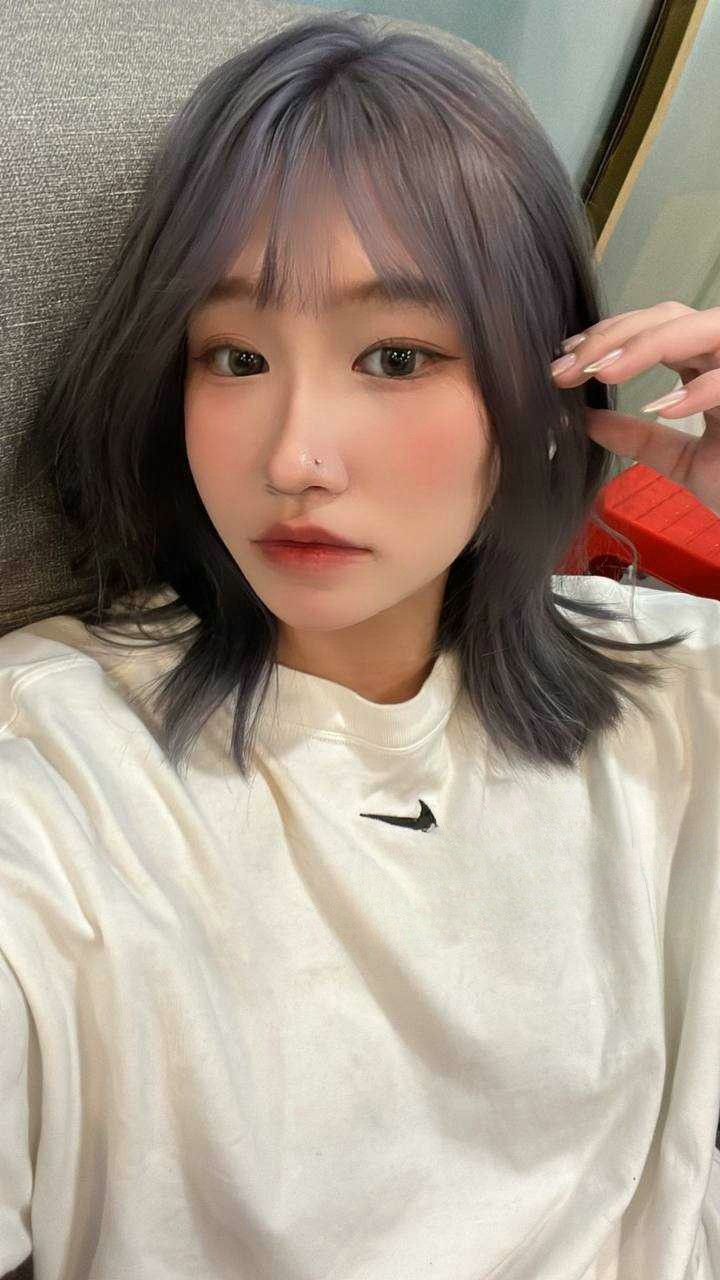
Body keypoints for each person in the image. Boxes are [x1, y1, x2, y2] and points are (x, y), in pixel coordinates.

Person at [2, 12, 720, 1279]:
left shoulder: (674, 691)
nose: (293, 457)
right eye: (235, 356)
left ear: (546, 378)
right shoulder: (58, 775)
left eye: (394, 356)